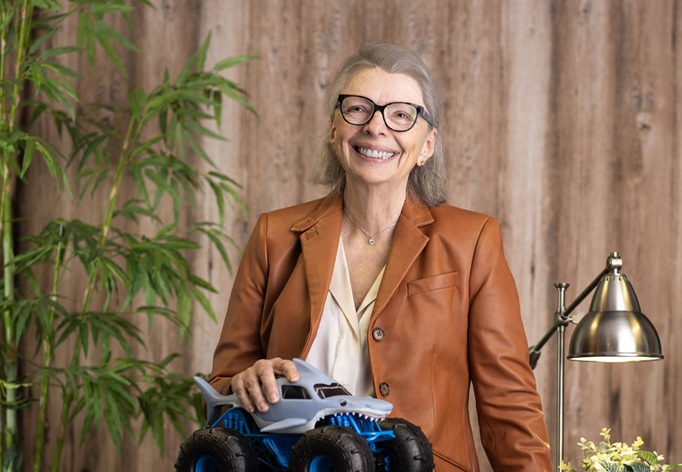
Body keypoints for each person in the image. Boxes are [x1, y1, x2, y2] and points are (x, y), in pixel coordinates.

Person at [208, 41, 551, 471]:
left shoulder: (473, 240)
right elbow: (223, 385)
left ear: (427, 145)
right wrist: (244, 382)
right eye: (358, 109)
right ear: (334, 129)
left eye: (401, 115)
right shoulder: (273, 237)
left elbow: (508, 404)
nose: (376, 127)